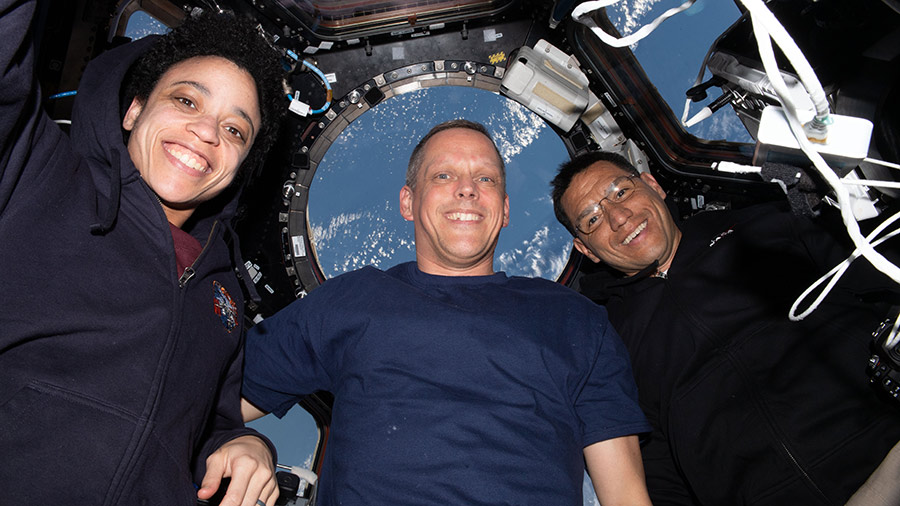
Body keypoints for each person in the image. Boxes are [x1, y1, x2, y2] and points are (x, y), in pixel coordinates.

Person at [241, 120, 653, 505]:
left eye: (486, 178)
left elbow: (625, 493)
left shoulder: (577, 320)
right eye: (443, 175)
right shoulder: (351, 300)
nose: (467, 189)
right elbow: (207, 401)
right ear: (408, 202)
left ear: (505, 210)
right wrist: (241, 440)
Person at [0, 2, 286, 505]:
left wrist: (243, 442)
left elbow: (203, 427)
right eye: (187, 101)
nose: (206, 132)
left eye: (235, 129)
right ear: (134, 110)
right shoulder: (35, 177)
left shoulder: (225, 298)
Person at [550, 151, 900, 505]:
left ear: (652, 184)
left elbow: (883, 280)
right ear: (586, 249)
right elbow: (652, 474)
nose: (619, 218)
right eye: (592, 219)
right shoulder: (609, 347)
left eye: (621, 192)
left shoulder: (766, 226)